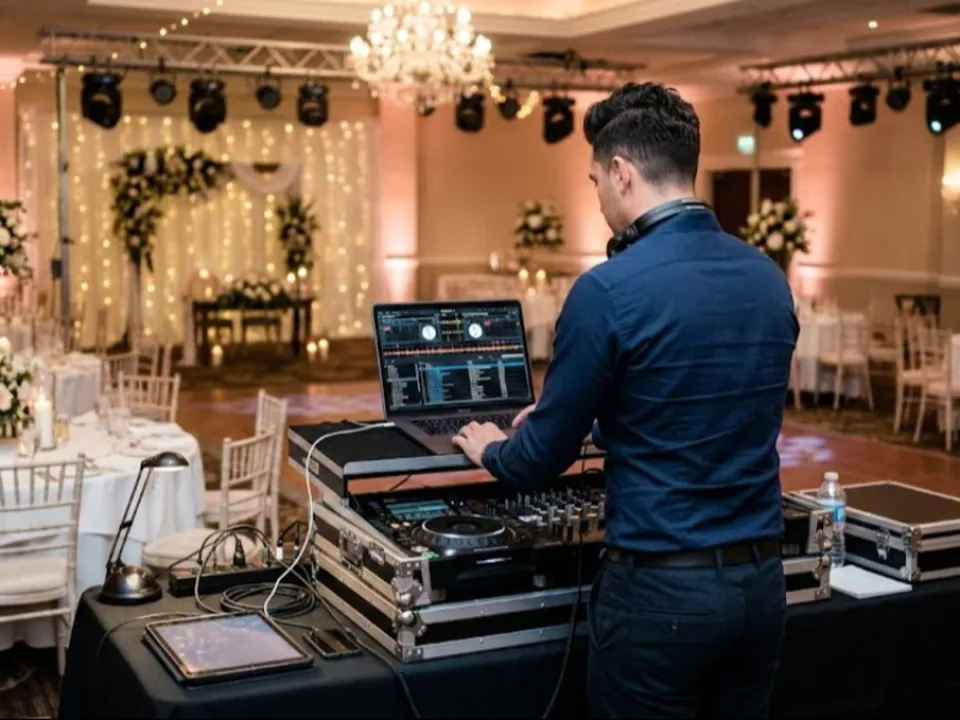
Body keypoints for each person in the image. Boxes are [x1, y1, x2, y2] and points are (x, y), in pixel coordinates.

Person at [453, 81, 799, 719]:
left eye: (594, 181)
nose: (597, 197)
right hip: (760, 588)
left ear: (621, 172)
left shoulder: (608, 290)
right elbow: (700, 407)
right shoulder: (768, 279)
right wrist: (603, 425)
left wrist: (494, 447)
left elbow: (537, 462)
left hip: (660, 594)